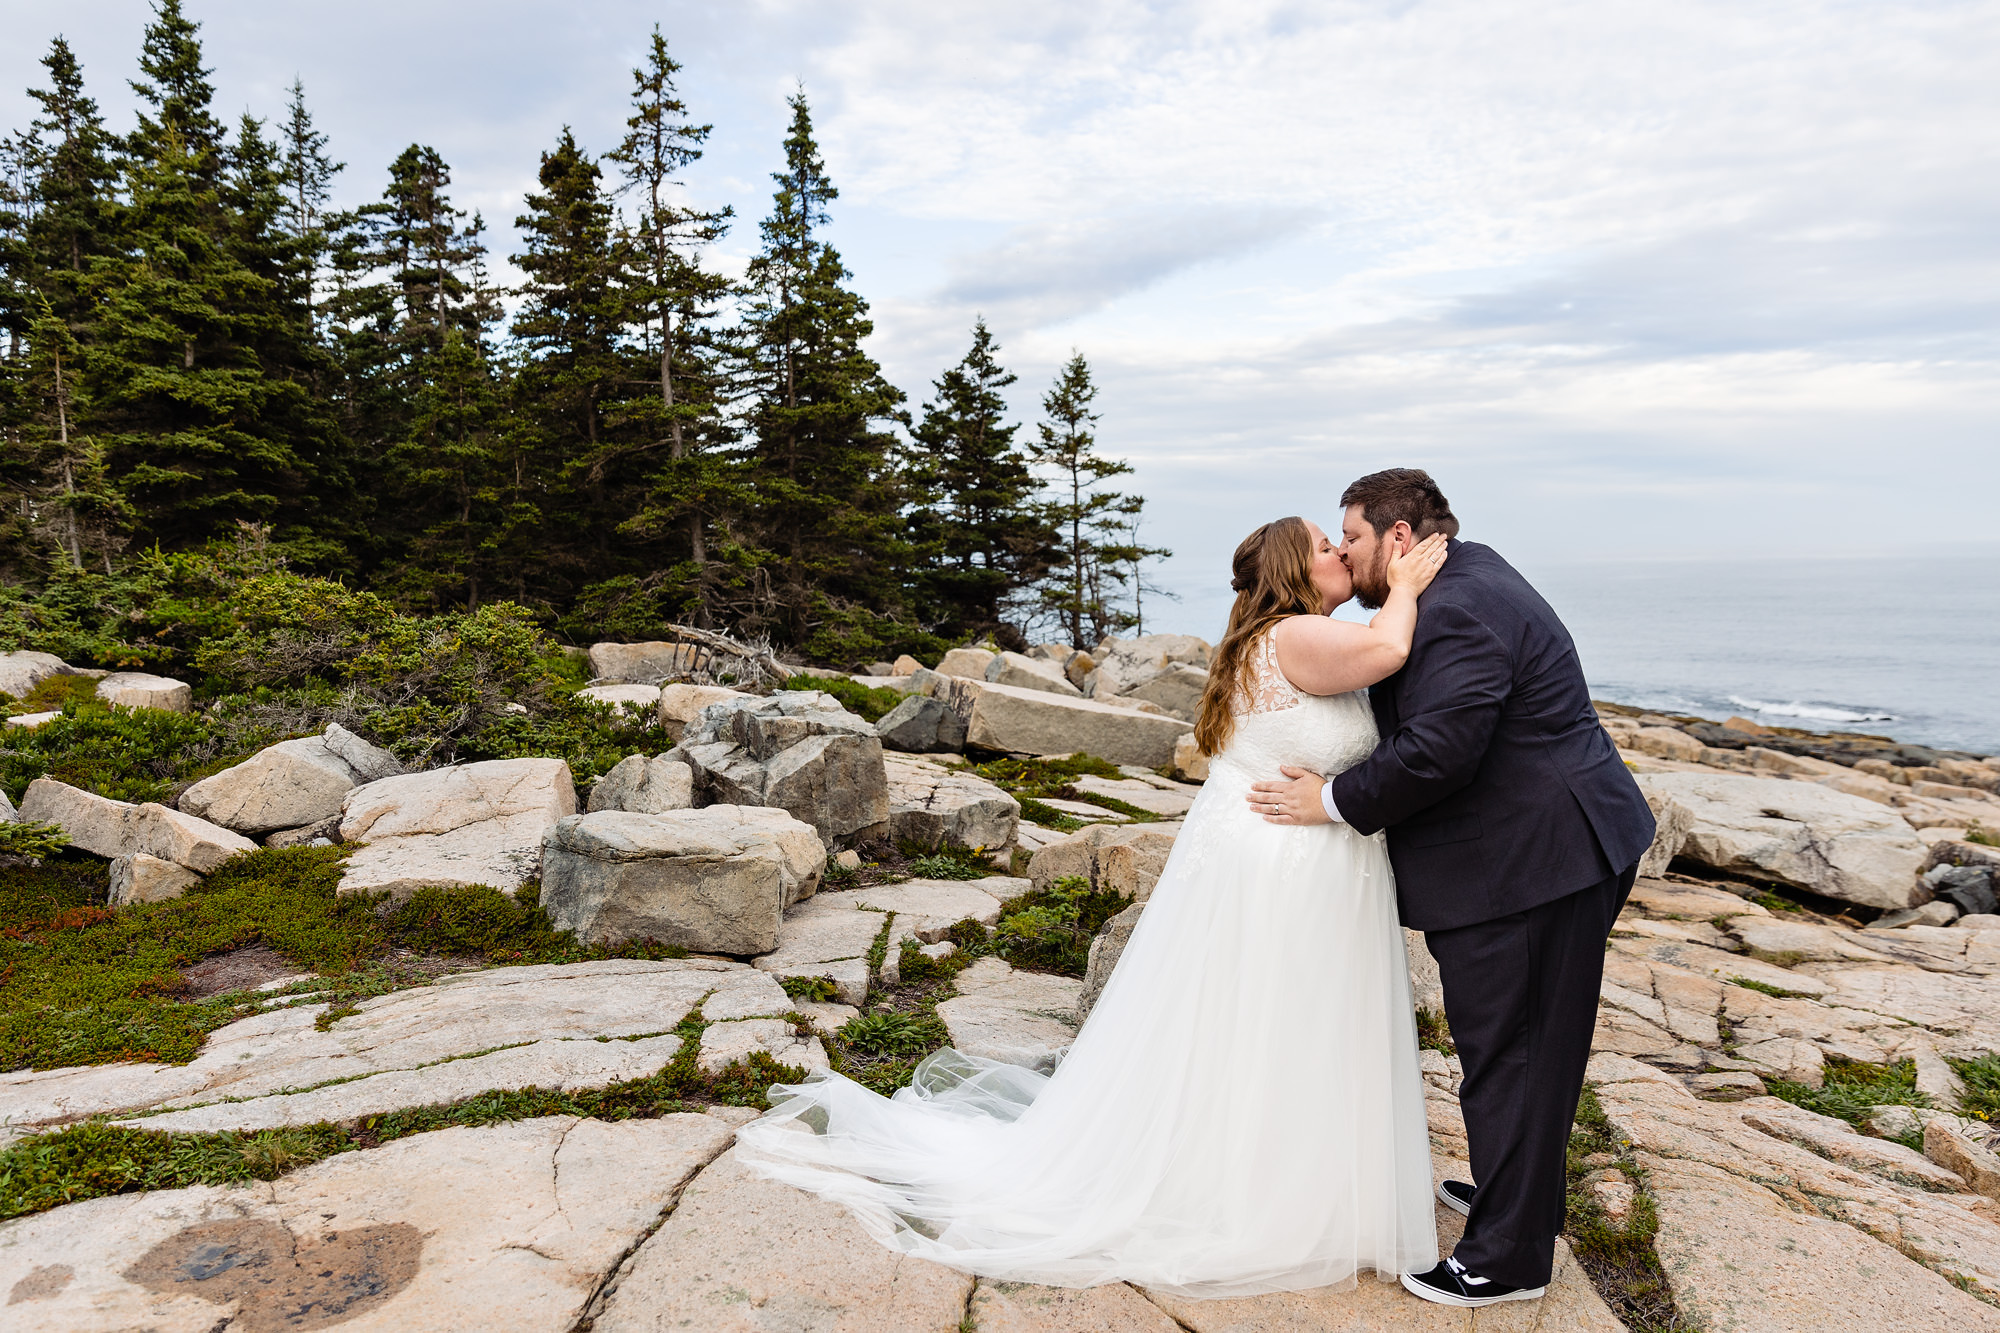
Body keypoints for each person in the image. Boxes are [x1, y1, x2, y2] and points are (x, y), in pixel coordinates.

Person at [733, 515, 1449, 1297]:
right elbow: (1390, 649)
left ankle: (1277, 1170)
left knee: (1267, 1025)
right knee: (1284, 1021)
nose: (1341, 550)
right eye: (1323, 544)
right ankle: (1275, 1187)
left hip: (1290, 857)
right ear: (1293, 572)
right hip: (1285, 864)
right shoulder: (1296, 635)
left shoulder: (1275, 638)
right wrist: (1407, 583)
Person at [1250, 468, 1656, 1308]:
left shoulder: (1461, 605)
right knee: (1509, 1045)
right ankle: (1515, 1197)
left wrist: (1326, 800)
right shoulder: (1462, 577)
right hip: (1533, 853)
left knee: (1515, 1050)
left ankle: (1506, 1259)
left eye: (1352, 536)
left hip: (1539, 863)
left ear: (1399, 538)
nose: (1346, 552)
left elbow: (1440, 750)